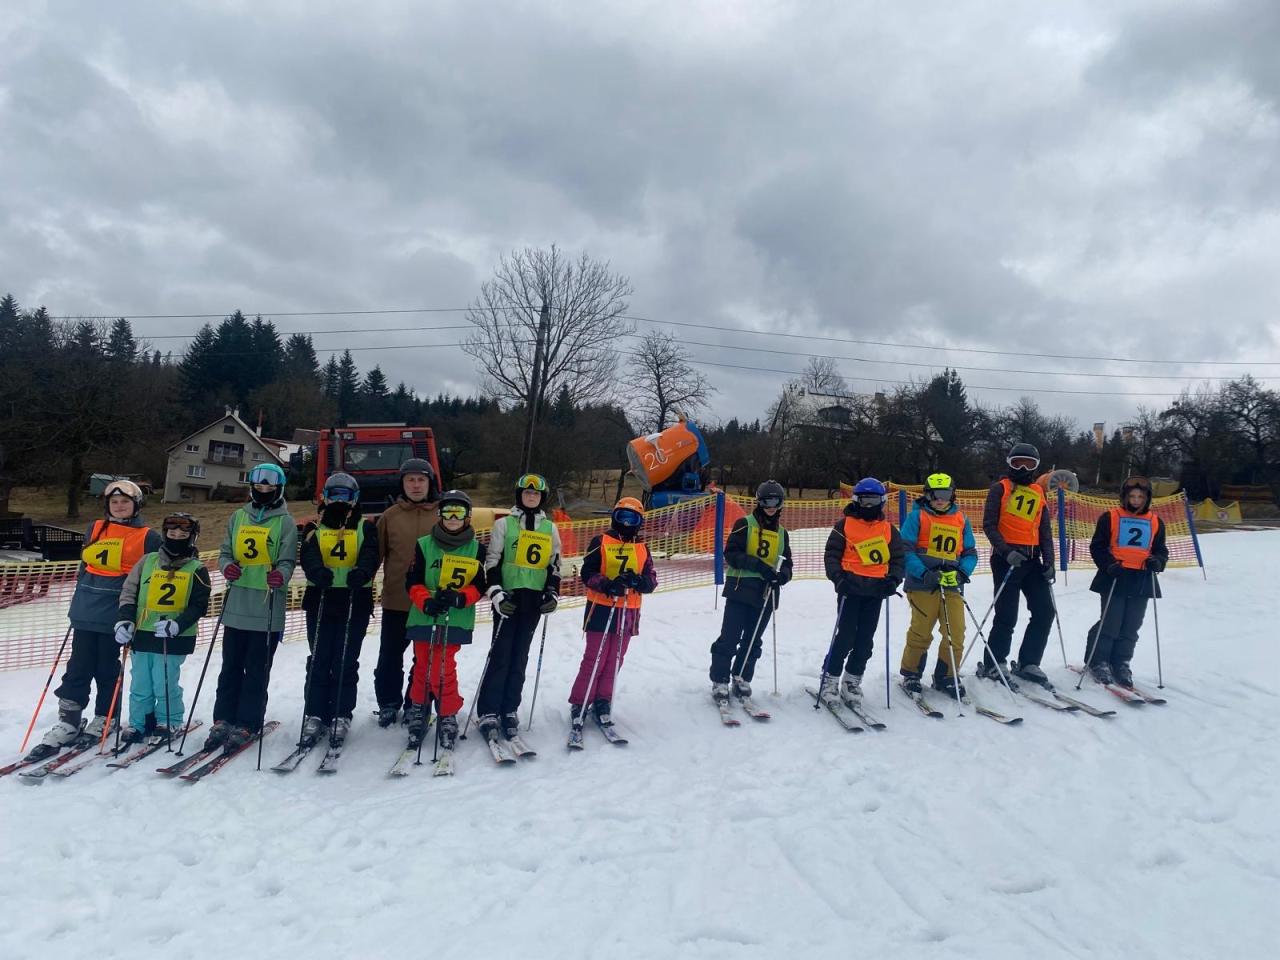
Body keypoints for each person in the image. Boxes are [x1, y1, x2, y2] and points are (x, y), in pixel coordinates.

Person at [28, 480, 162, 760]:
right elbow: (84, 566)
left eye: (125, 502)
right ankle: (69, 720)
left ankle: (105, 716)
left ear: (137, 505)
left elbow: (155, 572)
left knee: (106, 667)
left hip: (118, 611)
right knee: (78, 666)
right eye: (114, 502)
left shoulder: (148, 536)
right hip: (86, 609)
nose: (119, 506)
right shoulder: (95, 528)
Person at [206, 462, 297, 752]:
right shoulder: (238, 516)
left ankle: (248, 722)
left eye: (269, 486)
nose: (263, 490)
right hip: (237, 603)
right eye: (259, 485)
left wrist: (281, 575)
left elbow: (288, 560)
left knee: (256, 670)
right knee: (230, 667)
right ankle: (223, 718)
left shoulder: (285, 522)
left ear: (278, 488)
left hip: (266, 606)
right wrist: (227, 567)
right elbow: (225, 553)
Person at [478, 473, 563, 743]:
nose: (531, 496)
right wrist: (496, 593)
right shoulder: (504, 524)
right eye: (527, 492)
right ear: (519, 495)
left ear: (541, 497)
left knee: (520, 656)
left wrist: (552, 592)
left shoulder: (549, 528)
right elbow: (492, 560)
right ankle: (489, 710)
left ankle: (509, 709)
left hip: (533, 600)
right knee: (501, 654)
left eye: (536, 493)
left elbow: (555, 564)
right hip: (508, 599)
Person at [297, 472, 380, 748]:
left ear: (354, 498)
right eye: (334, 495)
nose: (339, 500)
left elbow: (371, 553)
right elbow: (308, 554)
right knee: (320, 657)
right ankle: (315, 712)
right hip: (321, 598)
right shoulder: (314, 527)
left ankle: (341, 713)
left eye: (344, 495)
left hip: (354, 599)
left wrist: (363, 571)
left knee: (345, 658)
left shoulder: (365, 527)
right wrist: (316, 571)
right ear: (325, 497)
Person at [115, 513, 212, 744]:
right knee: (140, 682)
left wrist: (178, 624)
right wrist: (125, 619)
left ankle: (169, 720)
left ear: (192, 537)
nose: (176, 535)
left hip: (173, 635)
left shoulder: (197, 568)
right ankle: (140, 722)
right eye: (171, 531)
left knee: (164, 681)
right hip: (143, 631)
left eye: (183, 533)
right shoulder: (147, 561)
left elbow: (200, 604)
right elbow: (129, 591)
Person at [403, 489, 486, 753]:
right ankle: (419, 708)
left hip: (455, 618)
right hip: (425, 615)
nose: (452, 517)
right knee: (422, 665)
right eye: (448, 511)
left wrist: (461, 598)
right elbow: (412, 580)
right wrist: (426, 601)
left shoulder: (476, 548)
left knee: (443, 667)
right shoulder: (424, 544)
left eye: (458, 512)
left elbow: (479, 585)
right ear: (439, 514)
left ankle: (447, 713)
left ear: (467, 516)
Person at [570, 497, 658, 731]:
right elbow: (587, 573)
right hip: (601, 608)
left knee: (615, 659)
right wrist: (608, 584)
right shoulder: (601, 541)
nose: (627, 523)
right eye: (623, 517)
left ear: (639, 522)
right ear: (615, 518)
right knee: (595, 657)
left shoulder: (642, 547)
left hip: (628, 611)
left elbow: (651, 580)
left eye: (632, 519)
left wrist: (638, 581)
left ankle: (603, 700)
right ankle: (581, 701)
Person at [818, 478, 905, 705]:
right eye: (864, 501)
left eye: (873, 501)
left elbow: (898, 559)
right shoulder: (844, 526)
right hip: (850, 589)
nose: (868, 506)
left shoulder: (888, 530)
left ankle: (852, 679)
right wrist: (838, 578)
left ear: (881, 502)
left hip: (876, 591)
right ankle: (830, 678)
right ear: (856, 500)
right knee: (845, 637)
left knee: (865, 640)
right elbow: (831, 555)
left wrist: (893, 579)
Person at [709, 480, 793, 703]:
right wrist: (760, 567)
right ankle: (719, 679)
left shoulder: (782, 533)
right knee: (730, 637)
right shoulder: (745, 524)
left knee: (753, 640)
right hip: (740, 590)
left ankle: (742, 677)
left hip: (765, 594)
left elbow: (787, 563)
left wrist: (782, 576)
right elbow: (731, 553)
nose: (770, 507)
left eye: (775, 502)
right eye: (766, 502)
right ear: (759, 502)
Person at [980, 442, 1056, 687]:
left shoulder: (1038, 491)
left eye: (1029, 464)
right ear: (1009, 464)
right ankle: (994, 662)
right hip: (1007, 561)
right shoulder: (1000, 489)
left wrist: (1049, 561)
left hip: (1032, 561)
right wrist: (1006, 551)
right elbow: (989, 525)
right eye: (1018, 463)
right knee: (1007, 615)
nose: (1023, 468)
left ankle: (1029, 662)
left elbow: (1045, 530)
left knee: (1045, 611)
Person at [899, 473, 978, 698]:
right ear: (927, 495)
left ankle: (947, 675)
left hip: (951, 584)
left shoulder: (961, 518)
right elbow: (905, 549)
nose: (940, 499)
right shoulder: (917, 517)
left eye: (945, 494)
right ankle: (911, 673)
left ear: (952, 495)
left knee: (956, 632)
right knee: (921, 631)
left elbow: (970, 552)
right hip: (923, 584)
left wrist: (962, 572)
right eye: (934, 494)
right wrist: (924, 573)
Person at [373, 458, 439, 726]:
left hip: (429, 602)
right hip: (396, 600)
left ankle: (416, 702)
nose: (416, 485)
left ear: (430, 483)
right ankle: (388, 703)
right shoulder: (390, 516)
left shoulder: (442, 514)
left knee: (424, 658)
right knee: (390, 656)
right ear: (402, 484)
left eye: (421, 480)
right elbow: (375, 555)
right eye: (410, 480)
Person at [1084, 476, 1168, 686]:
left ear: (1147, 499)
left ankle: (1121, 662)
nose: (1136, 500)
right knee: (1111, 622)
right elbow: (1097, 546)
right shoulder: (1110, 517)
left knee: (1132, 624)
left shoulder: (1155, 521)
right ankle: (1099, 660)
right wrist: (1108, 564)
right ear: (1125, 497)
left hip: (1141, 578)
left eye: (1140, 497)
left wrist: (1158, 561)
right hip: (1116, 575)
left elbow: (1160, 549)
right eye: (1132, 496)